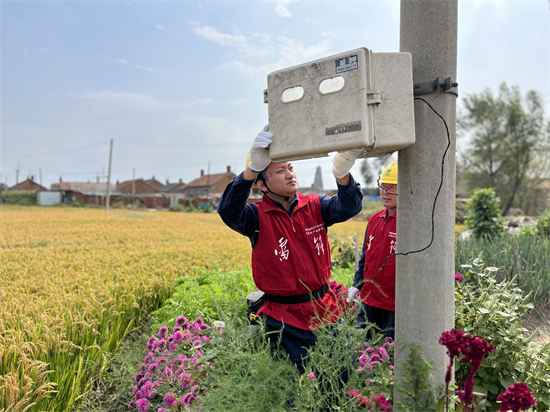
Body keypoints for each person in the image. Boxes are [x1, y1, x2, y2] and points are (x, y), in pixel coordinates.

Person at [218, 125, 363, 375]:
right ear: (262, 185)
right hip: (282, 320)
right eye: (279, 170)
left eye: (290, 168)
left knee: (342, 379)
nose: (289, 174)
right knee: (285, 392)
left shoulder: (316, 205)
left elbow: (349, 207)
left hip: (325, 311)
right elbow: (228, 211)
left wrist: (342, 176)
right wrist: (250, 171)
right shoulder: (255, 217)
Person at [348, 162, 398, 340]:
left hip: (393, 305)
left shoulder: (409, 222)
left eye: (393, 187)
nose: (386, 192)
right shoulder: (374, 219)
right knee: (360, 347)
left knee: (388, 354)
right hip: (368, 301)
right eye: (383, 186)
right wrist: (357, 284)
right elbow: (365, 258)